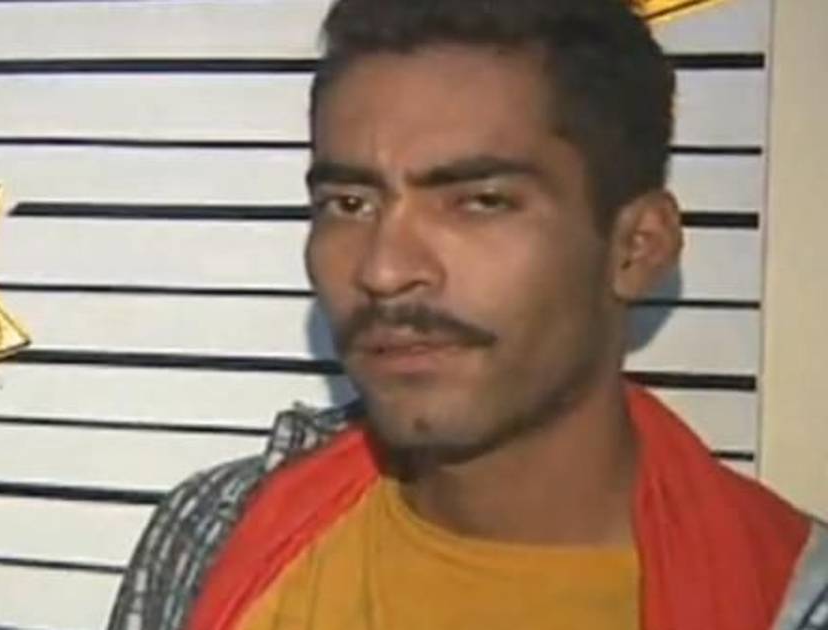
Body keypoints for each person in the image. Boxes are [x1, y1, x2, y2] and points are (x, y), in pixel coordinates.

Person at [107, 1, 828, 629]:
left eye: (480, 201)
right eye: (349, 203)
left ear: (637, 246)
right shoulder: (213, 529)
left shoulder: (787, 599)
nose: (383, 269)